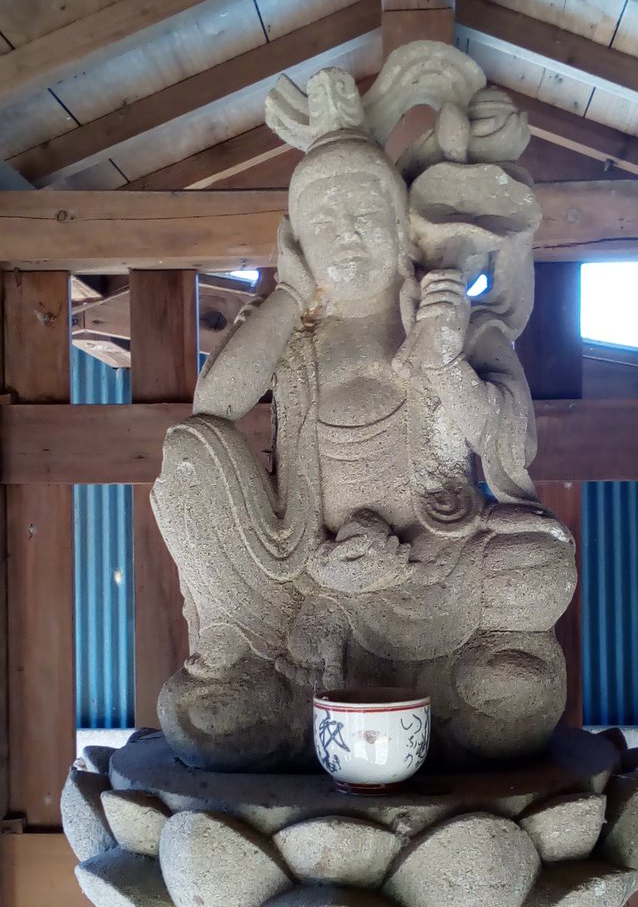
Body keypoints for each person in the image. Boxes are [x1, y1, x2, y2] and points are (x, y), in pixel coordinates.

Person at [151, 60, 576, 772]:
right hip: (306, 572)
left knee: (539, 559)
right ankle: (239, 651)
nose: (346, 237)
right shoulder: (291, 337)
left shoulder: (456, 319)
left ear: (399, 227)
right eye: (323, 223)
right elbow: (214, 407)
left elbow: (511, 443)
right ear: (300, 241)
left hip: (433, 562)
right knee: (189, 454)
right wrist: (289, 296)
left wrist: (446, 360)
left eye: (364, 217)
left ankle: (489, 657)